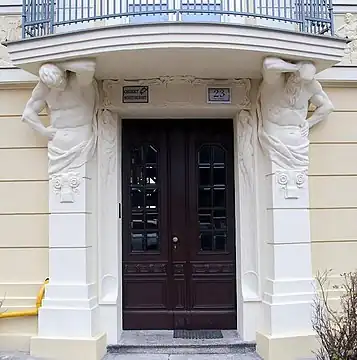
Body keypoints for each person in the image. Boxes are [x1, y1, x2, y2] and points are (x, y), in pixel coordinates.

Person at [22, 59, 98, 175]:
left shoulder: (80, 81)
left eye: (59, 82)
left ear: (63, 74)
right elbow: (27, 114)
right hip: (56, 146)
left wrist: (58, 64)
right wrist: (43, 131)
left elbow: (89, 66)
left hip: (81, 139)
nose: (58, 88)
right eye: (53, 85)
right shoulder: (45, 88)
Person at [257, 56, 334, 170]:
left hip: (299, 145)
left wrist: (309, 123)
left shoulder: (310, 85)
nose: (299, 83)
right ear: (292, 73)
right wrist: (296, 67)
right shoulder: (275, 81)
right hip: (273, 140)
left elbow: (328, 106)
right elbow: (268, 64)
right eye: (297, 78)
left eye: (304, 81)